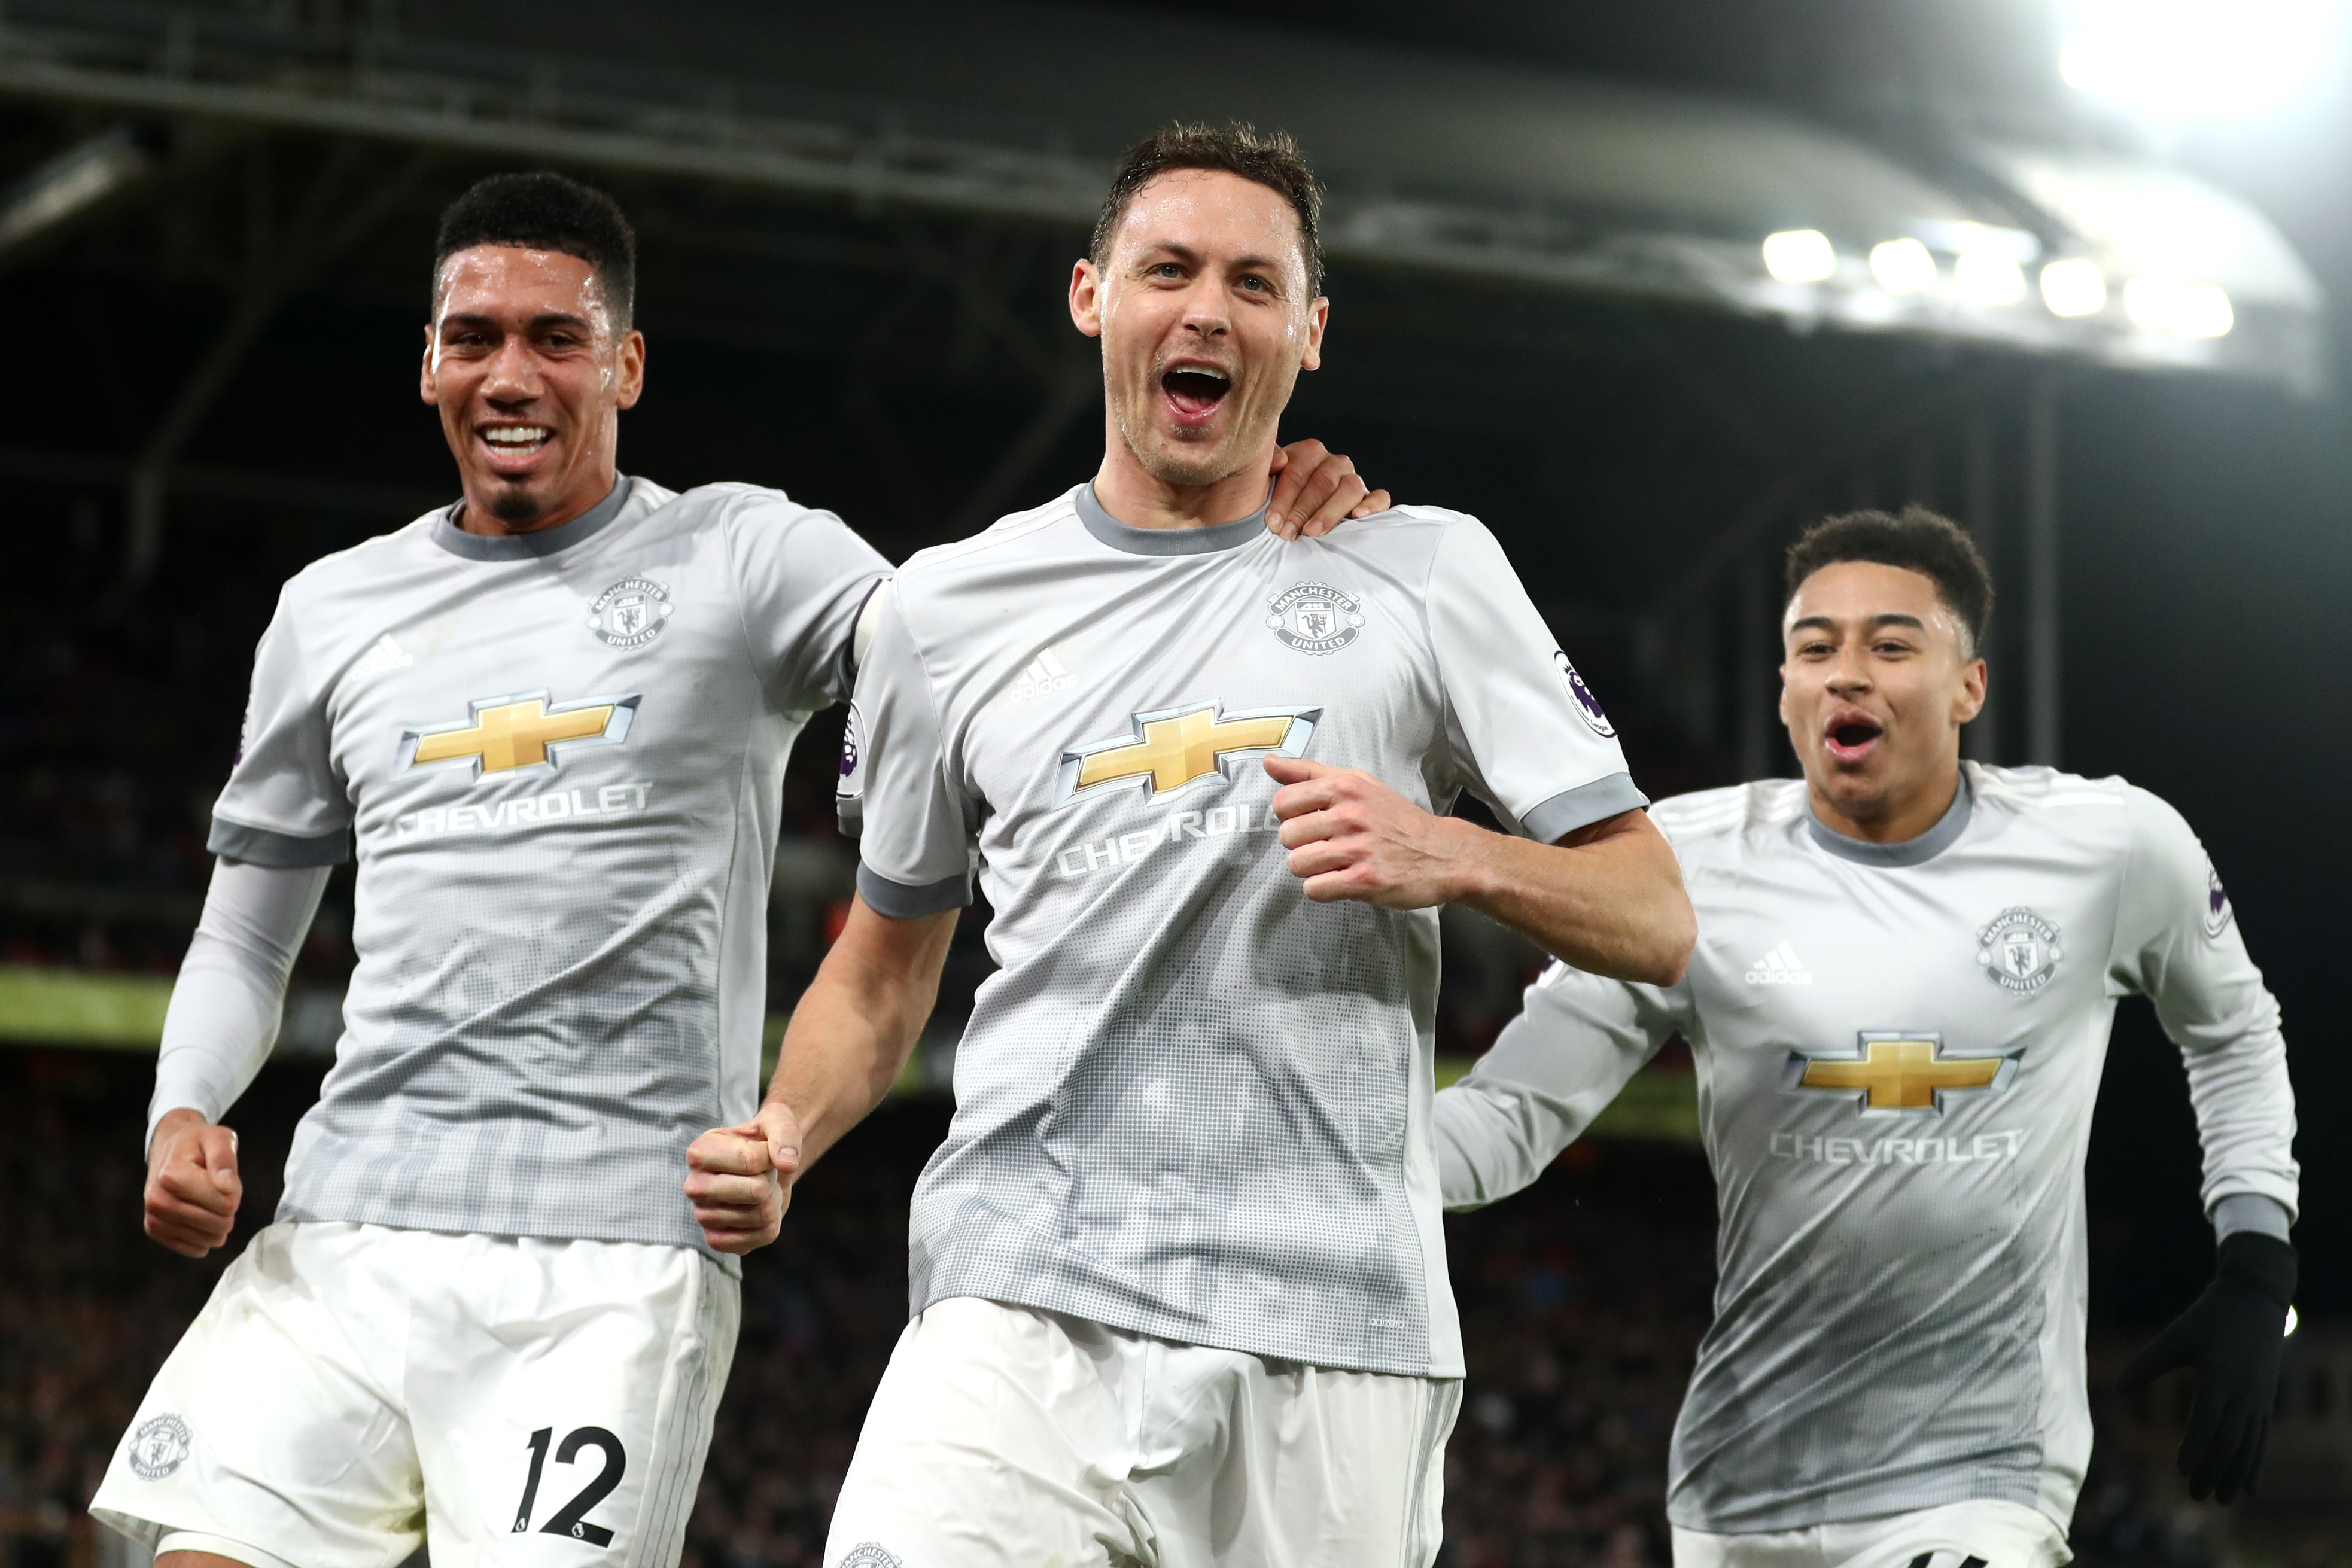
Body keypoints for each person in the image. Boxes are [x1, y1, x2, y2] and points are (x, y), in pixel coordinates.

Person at [88, 169, 1386, 1568]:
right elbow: (243, 935)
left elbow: (991, 647)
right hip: (339, 1229)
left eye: (556, 337)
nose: (509, 373)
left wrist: (1258, 519)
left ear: (626, 365)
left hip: (613, 1265)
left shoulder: (746, 555)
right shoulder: (329, 611)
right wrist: (182, 1111)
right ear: (427, 366)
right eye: (473, 339)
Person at [682, 122, 1696, 1568]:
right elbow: (883, 966)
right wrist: (786, 1133)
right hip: (1023, 1294)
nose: (1206, 310)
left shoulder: (1425, 570)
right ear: (1091, 295)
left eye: (1252, 282)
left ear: (1311, 332)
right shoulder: (941, 612)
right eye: (1167, 270)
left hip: (1336, 1317)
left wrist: (1454, 856)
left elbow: (1653, 916)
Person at [1435, 507, 2299, 1568]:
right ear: (1787, 693)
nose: (1847, 672)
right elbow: (1511, 1113)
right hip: (1736, 1490)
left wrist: (2256, 1253)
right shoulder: (1681, 869)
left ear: (1969, 685)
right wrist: (1318, 1170)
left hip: (1984, 1480)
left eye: (1891, 644)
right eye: (1815, 648)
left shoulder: (2110, 847)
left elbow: (2232, 1026)